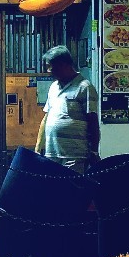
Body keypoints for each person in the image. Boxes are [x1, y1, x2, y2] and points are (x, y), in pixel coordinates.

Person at [34, 45, 99, 174]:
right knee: (54, 191)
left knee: (70, 192)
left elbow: (93, 122)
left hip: (74, 156)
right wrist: (38, 147)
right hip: (52, 153)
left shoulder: (84, 87)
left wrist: (94, 152)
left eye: (50, 66)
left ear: (63, 65)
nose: (48, 70)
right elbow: (47, 117)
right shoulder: (53, 87)